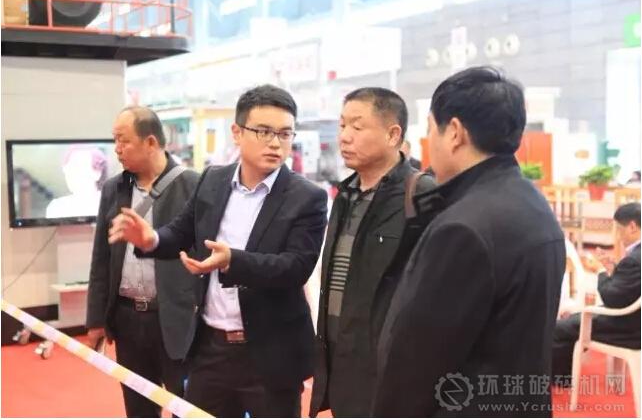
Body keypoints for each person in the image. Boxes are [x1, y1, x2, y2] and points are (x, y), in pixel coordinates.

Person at [107, 85, 328, 417]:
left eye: (285, 134)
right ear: (237, 133)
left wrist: (232, 261)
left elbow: (295, 267)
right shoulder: (212, 179)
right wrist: (151, 239)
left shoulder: (307, 197)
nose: (275, 143)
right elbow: (181, 232)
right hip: (211, 349)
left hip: (270, 354)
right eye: (264, 131)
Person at [372, 66, 566, 416]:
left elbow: (417, 362)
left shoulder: (463, 228)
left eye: (430, 129)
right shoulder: (533, 204)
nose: (428, 142)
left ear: (455, 133)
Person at [309, 87, 435, 417]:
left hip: (390, 370)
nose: (344, 136)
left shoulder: (421, 196)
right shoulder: (345, 195)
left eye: (357, 126)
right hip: (340, 360)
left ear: (393, 134)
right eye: (342, 125)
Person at [86, 106, 200, 417]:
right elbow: (101, 257)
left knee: (185, 406)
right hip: (127, 320)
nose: (117, 149)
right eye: (114, 140)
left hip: (176, 320)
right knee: (138, 408)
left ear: (150, 142)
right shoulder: (114, 188)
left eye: (123, 140)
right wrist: (96, 318)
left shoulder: (193, 186)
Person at [552, 202, 641, 381]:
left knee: (560, 327)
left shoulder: (635, 258)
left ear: (632, 226)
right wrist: (613, 270)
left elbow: (612, 299)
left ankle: (559, 378)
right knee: (573, 318)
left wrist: (599, 270)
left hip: (627, 327)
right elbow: (629, 288)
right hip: (634, 319)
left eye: (618, 229)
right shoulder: (635, 256)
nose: (617, 236)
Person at [46, 146, 108, 218]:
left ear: (97, 173)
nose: (71, 174)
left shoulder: (112, 204)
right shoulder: (56, 207)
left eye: (78, 167)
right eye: (68, 168)